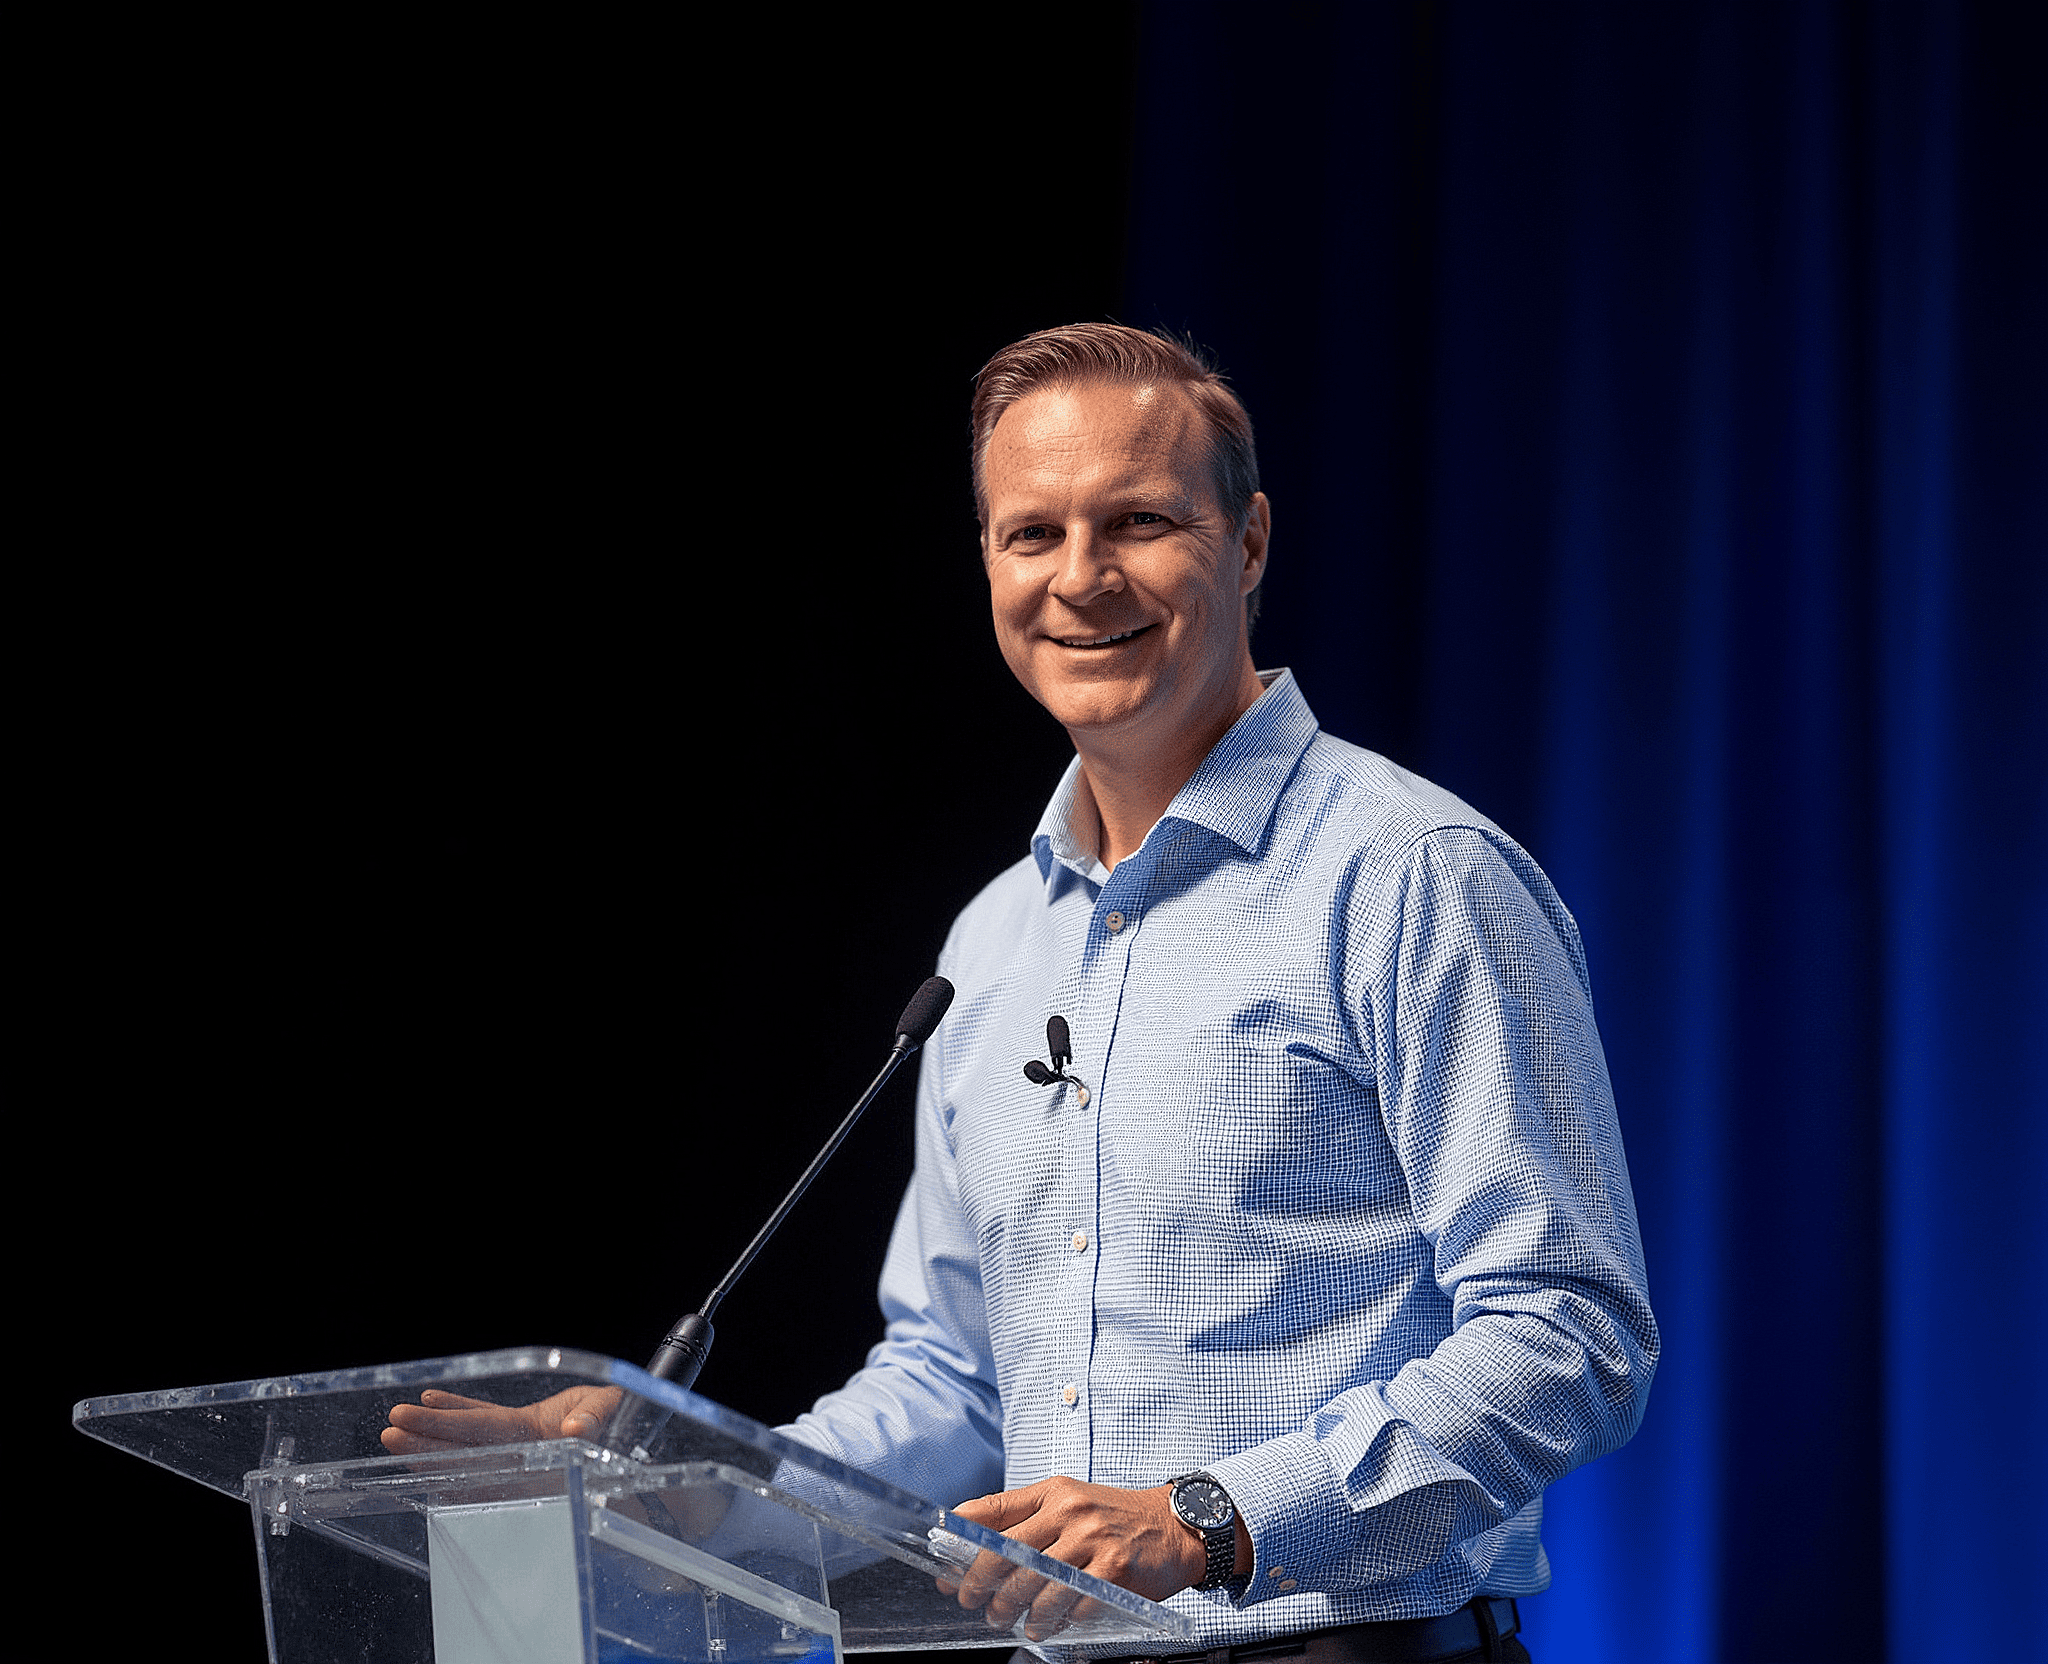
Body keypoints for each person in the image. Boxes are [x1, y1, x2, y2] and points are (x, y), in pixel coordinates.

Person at [388, 324, 1657, 1664]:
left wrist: (1213, 1520)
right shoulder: (991, 943)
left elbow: (1571, 1334)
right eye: (1032, 534)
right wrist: (703, 1489)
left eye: (1140, 521)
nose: (1081, 578)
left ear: (1249, 544)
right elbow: (954, 1380)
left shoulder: (1413, 875)